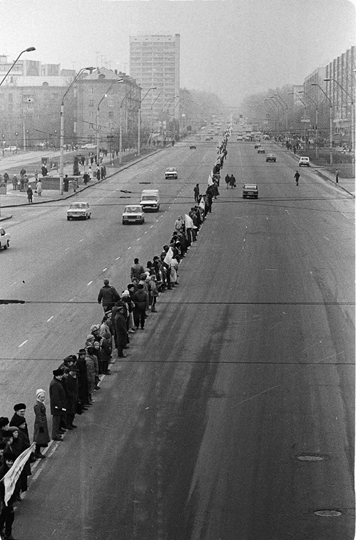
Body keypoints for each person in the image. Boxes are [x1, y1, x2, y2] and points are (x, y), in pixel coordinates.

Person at [0, 451, 17, 540]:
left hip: (9, 496)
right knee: (9, 516)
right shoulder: (2, 471)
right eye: (8, 461)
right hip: (5, 497)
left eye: (12, 461)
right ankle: (8, 534)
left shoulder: (12, 470)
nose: (10, 463)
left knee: (4, 515)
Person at [49, 368, 66, 441]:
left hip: (58, 405)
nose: (61, 376)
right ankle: (55, 435)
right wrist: (59, 406)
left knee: (58, 420)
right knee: (56, 421)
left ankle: (57, 432)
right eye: (60, 375)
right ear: (56, 376)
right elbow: (55, 396)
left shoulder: (56, 382)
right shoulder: (55, 384)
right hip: (57, 406)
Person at [33, 389, 50, 459]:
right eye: (41, 397)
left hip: (42, 422)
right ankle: (37, 452)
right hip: (40, 424)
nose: (43, 399)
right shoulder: (38, 405)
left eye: (43, 397)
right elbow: (39, 415)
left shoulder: (40, 404)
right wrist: (41, 425)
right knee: (39, 438)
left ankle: (38, 451)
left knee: (40, 437)